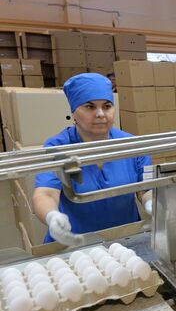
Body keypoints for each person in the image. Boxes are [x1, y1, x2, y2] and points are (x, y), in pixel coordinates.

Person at [32, 73, 152, 245]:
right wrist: (52, 216)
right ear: (73, 112)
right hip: (75, 244)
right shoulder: (58, 147)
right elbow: (45, 193)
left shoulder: (131, 144)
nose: (101, 114)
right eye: (90, 107)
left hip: (126, 240)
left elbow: (145, 188)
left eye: (107, 106)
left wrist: (152, 204)